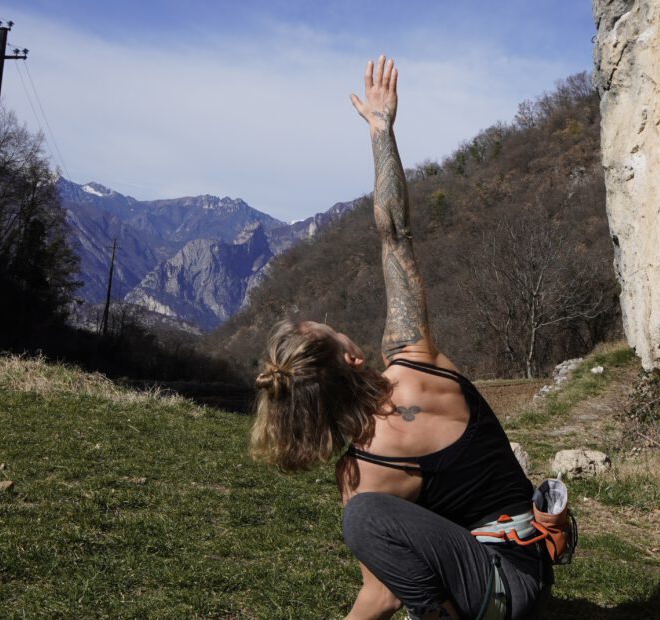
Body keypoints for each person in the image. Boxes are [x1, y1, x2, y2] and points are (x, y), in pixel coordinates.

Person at [250, 56, 551, 620]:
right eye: (324, 324)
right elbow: (395, 234)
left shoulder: (359, 474)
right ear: (352, 356)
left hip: (501, 592)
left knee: (364, 518)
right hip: (523, 572)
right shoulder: (416, 362)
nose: (321, 316)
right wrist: (382, 133)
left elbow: (380, 593)